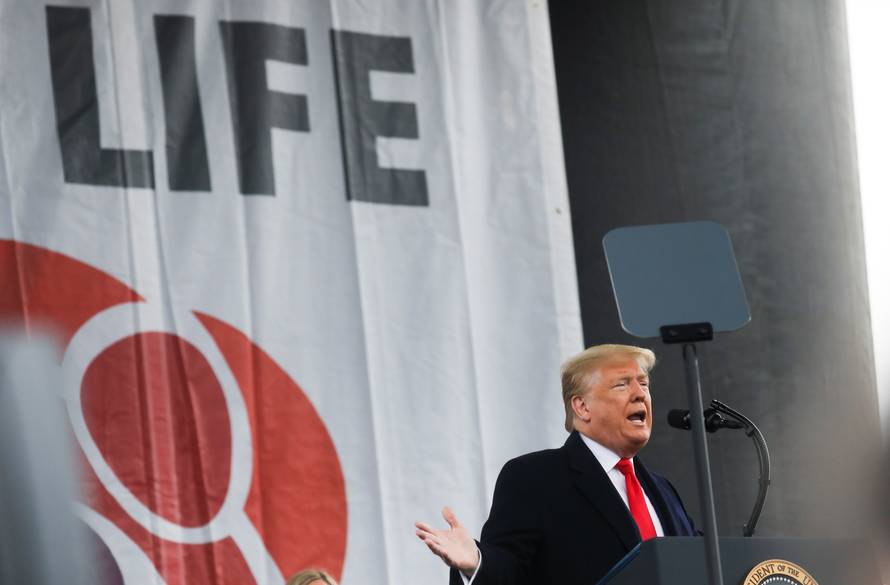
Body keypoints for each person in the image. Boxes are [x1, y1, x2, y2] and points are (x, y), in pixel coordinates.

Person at [415, 344, 697, 584]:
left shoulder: (663, 490)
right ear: (582, 407)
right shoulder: (535, 478)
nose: (640, 394)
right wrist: (475, 563)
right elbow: (511, 568)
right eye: (623, 384)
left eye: (644, 384)